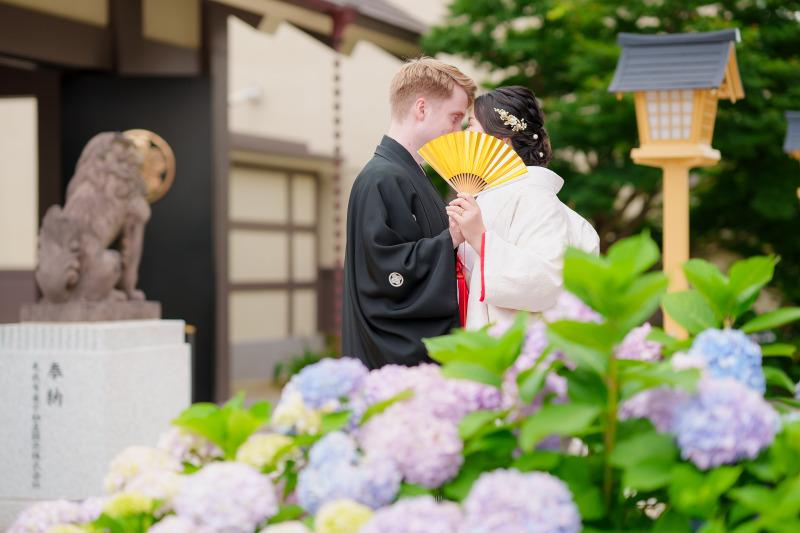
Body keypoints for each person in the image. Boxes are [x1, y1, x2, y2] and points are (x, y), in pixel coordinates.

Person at [341, 57, 478, 369]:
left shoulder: (408, 173)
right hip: (392, 358)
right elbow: (385, 273)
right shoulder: (382, 177)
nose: (458, 131)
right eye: (455, 118)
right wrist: (451, 239)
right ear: (421, 109)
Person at [446, 85, 600, 330]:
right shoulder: (494, 196)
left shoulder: (535, 197)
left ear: (501, 141)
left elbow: (548, 279)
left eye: (471, 124)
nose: (464, 134)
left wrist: (480, 239)